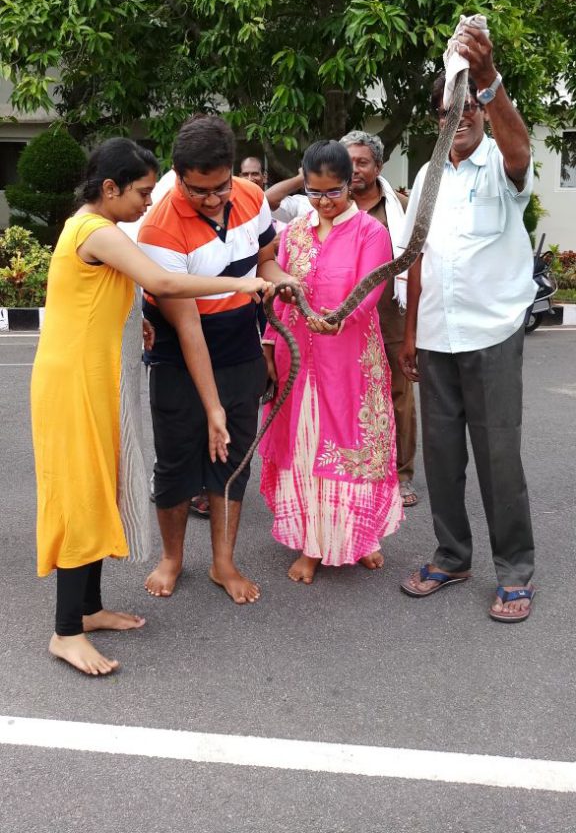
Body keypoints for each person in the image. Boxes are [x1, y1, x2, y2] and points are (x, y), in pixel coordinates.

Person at [31, 138, 271, 677]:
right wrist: (244, 281)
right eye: (141, 191)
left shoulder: (103, 230)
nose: (148, 200)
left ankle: (87, 610)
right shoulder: (94, 229)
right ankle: (65, 632)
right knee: (81, 494)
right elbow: (163, 282)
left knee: (101, 485)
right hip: (73, 382)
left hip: (94, 379)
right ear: (109, 188)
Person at [398, 22, 537, 622]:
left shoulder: (502, 166)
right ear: (438, 119)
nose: (463, 123)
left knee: (499, 454)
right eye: (452, 115)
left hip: (493, 333)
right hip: (434, 338)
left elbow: (521, 148)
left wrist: (487, 82)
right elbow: (414, 258)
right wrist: (408, 336)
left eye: (472, 114)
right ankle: (452, 556)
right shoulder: (428, 176)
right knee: (442, 455)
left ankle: (515, 571)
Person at [138, 115, 295, 604]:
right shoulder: (159, 229)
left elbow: (264, 259)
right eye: (198, 190)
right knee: (177, 460)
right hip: (179, 356)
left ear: (232, 171)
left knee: (234, 457)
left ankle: (223, 562)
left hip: (239, 347)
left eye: (219, 186)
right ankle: (172, 558)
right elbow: (187, 328)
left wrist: (284, 281)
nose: (212, 199)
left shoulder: (248, 197)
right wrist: (212, 408)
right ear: (177, 174)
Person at [259, 140, 403, 584]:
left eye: (333, 193)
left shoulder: (370, 233)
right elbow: (274, 280)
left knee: (347, 450)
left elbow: (368, 292)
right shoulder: (297, 230)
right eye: (316, 194)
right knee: (305, 447)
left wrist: (337, 320)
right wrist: (269, 344)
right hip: (298, 359)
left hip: (350, 363)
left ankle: (359, 537)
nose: (324, 203)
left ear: (351, 185)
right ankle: (312, 545)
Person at [340, 130, 419, 508]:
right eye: (348, 162)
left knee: (399, 397)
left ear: (379, 166)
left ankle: (402, 474)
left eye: (362, 162)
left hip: (391, 318)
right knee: (350, 395)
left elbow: (420, 266)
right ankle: (359, 465)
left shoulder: (401, 207)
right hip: (346, 322)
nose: (354, 170)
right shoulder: (329, 205)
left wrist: (414, 332)